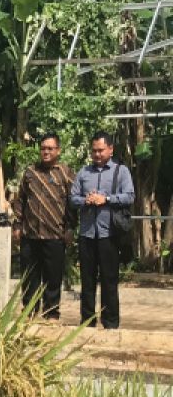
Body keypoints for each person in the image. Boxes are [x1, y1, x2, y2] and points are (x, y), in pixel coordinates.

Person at [70, 131, 135, 329]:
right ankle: (87, 322)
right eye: (94, 151)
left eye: (100, 150)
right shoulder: (83, 173)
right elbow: (72, 198)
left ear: (110, 149)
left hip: (109, 235)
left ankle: (111, 323)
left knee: (109, 280)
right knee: (87, 281)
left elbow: (130, 196)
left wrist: (106, 199)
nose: (97, 154)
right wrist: (85, 200)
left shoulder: (121, 171)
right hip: (87, 234)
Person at [12, 132, 75, 319]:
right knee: (29, 277)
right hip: (30, 235)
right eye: (43, 148)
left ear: (58, 150)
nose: (45, 152)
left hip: (55, 235)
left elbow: (73, 203)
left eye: (50, 148)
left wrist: (70, 228)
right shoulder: (31, 172)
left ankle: (51, 314)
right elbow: (20, 200)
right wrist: (17, 224)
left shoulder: (66, 173)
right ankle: (29, 313)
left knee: (52, 278)